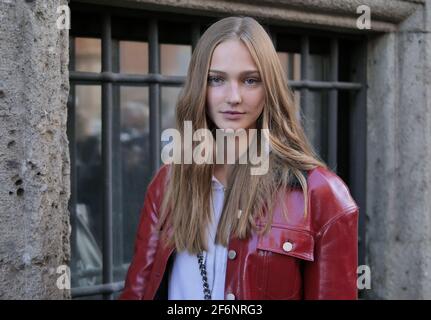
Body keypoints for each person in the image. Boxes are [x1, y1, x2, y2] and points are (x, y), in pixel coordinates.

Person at [119, 16, 358, 300]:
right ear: (199, 87)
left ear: (269, 89)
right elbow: (137, 291)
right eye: (216, 79)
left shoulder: (321, 194)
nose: (233, 97)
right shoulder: (168, 181)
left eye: (250, 80)